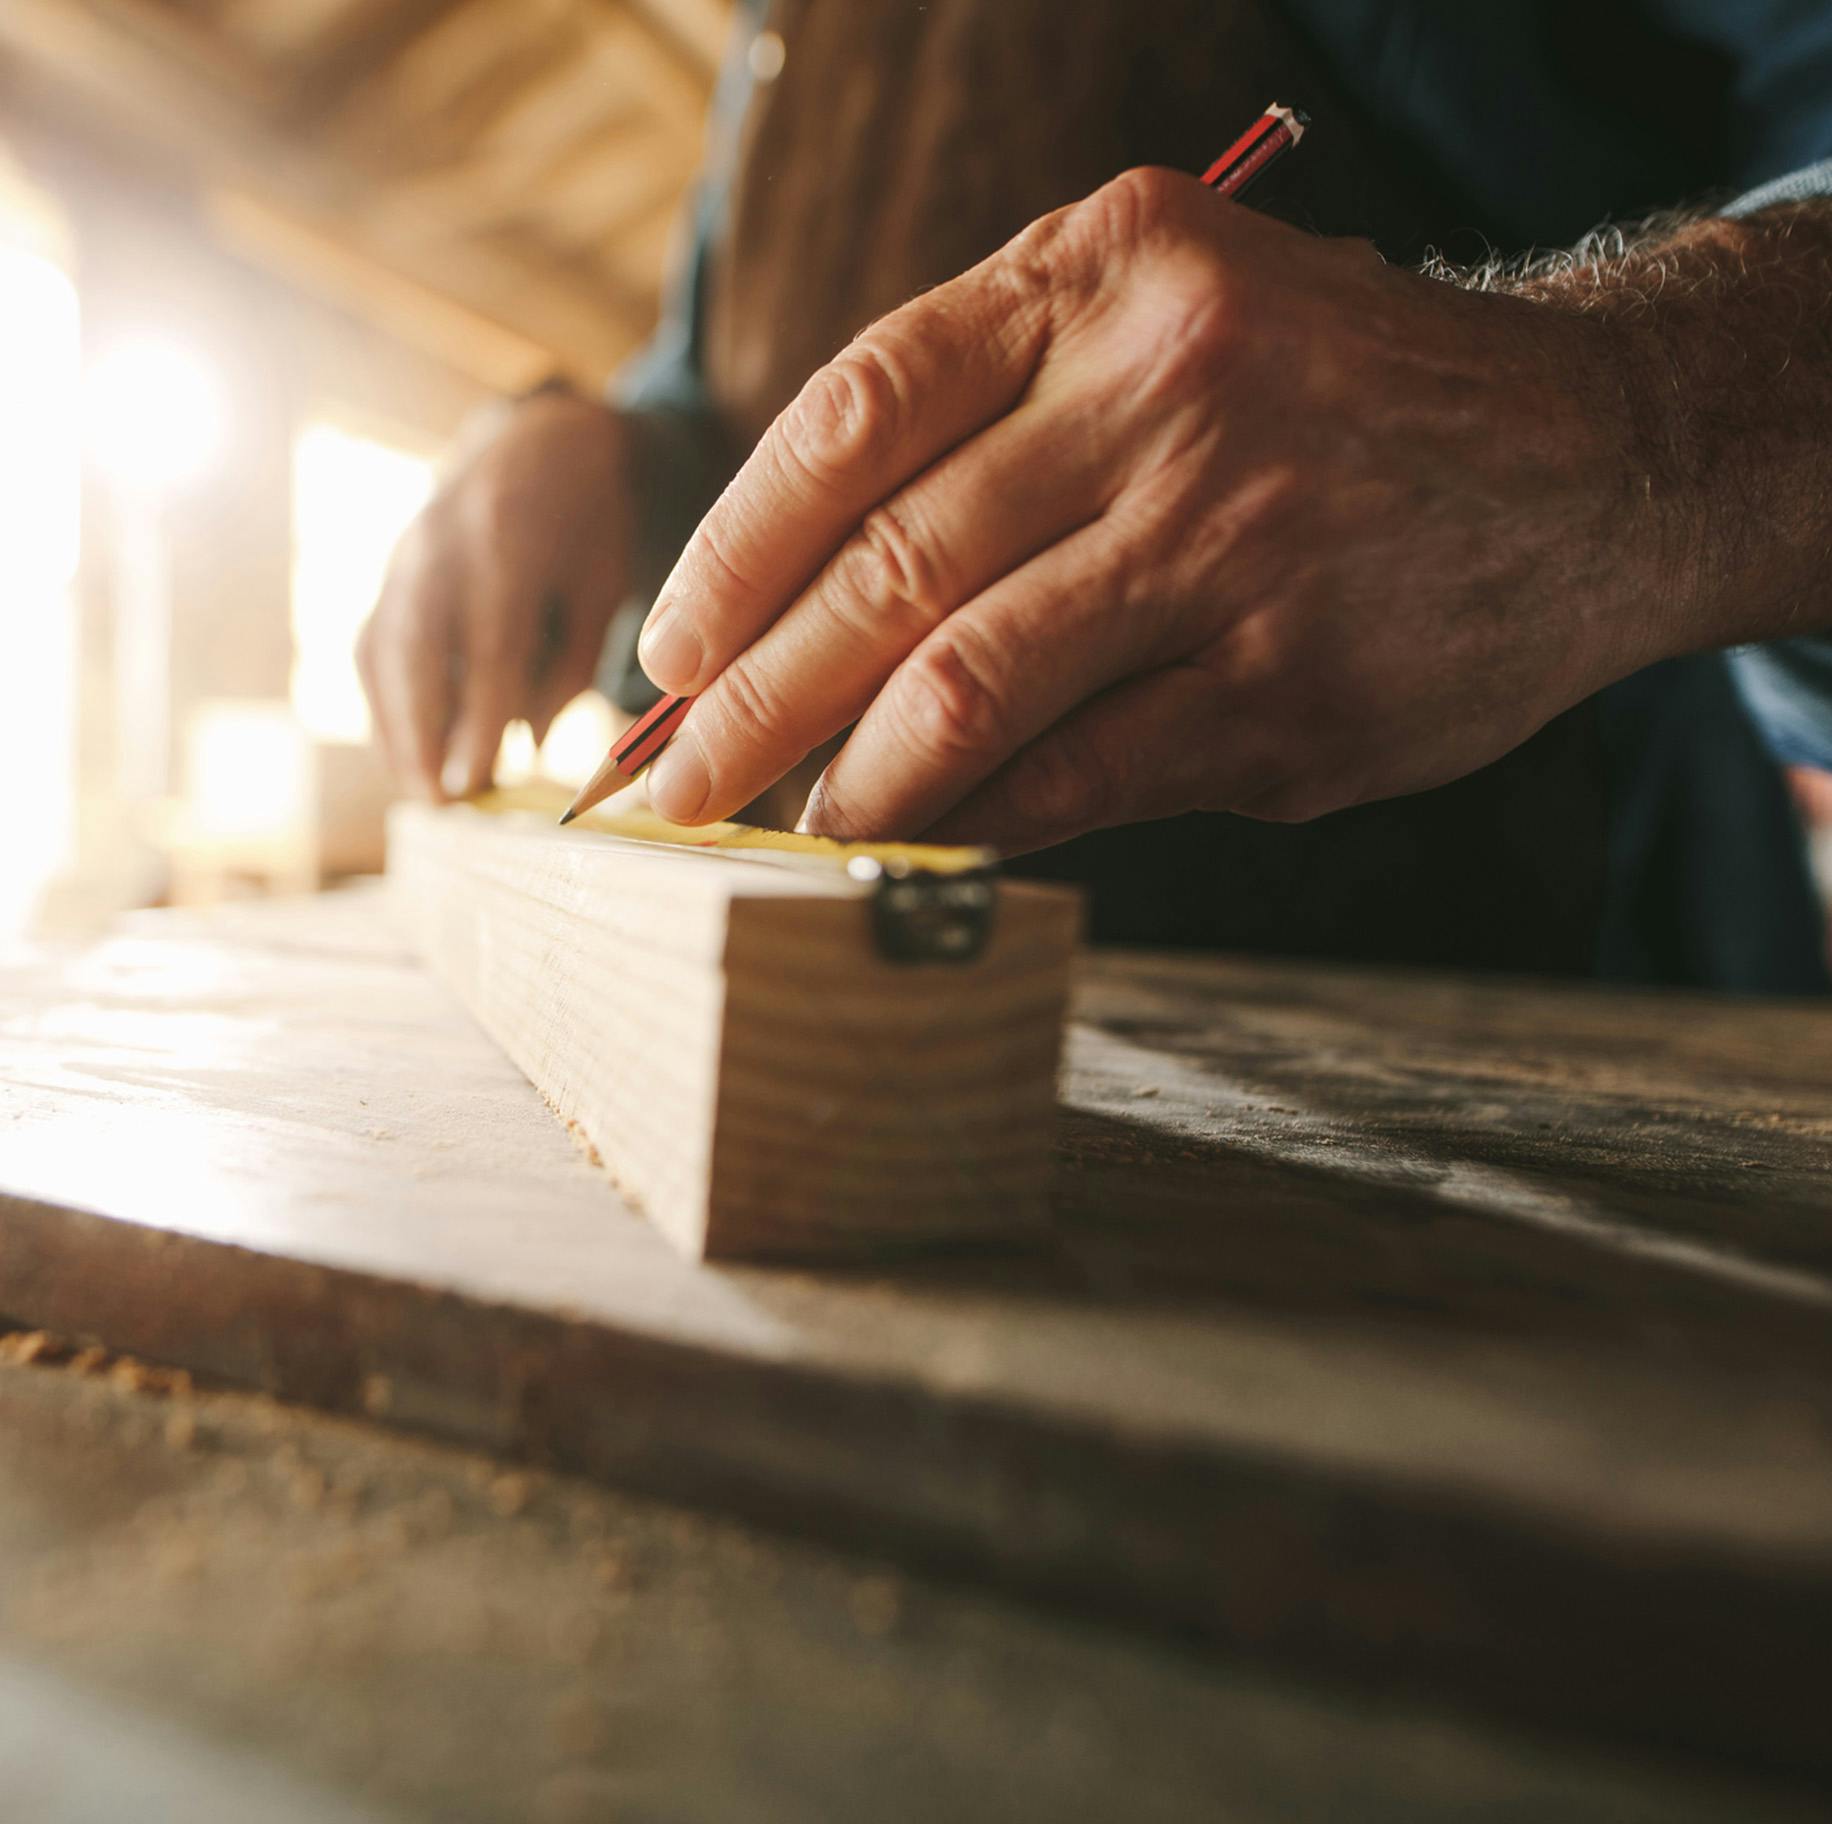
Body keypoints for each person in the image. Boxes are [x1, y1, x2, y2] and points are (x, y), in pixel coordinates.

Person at [359, 0, 1832, 990]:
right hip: (828, 1007)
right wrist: (602, 444)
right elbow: (737, 379)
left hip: (1488, 1017)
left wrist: (1615, 421)